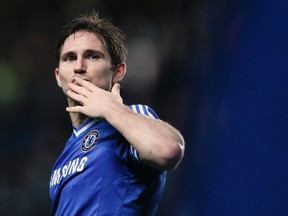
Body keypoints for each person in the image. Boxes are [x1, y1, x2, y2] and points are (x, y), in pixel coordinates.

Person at [49, 10, 185, 216]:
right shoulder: (65, 153)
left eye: (92, 56)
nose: (78, 67)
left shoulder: (131, 118)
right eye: (69, 58)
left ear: (118, 71)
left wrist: (110, 107)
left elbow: (168, 150)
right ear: (59, 77)